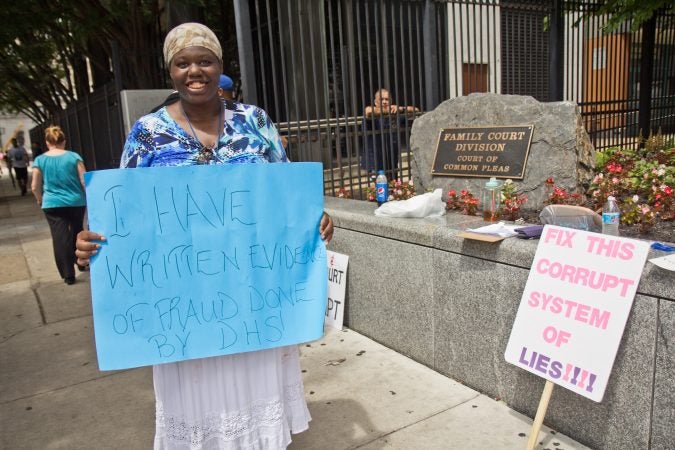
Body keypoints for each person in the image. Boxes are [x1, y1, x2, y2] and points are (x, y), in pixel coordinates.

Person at [75, 22, 333, 449]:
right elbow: (124, 211)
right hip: (184, 309)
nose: (195, 71)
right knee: (197, 404)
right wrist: (90, 242)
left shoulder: (255, 121)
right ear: (170, 72)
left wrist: (316, 218)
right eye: (183, 63)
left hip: (254, 300)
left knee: (257, 392)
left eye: (204, 61)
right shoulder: (148, 131)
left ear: (219, 67)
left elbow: (288, 193)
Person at [31, 126, 87, 285]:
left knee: (59, 237)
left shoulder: (40, 160)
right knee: (78, 231)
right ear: (64, 141)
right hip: (76, 201)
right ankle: (81, 262)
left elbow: (35, 186)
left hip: (52, 203)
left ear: (47, 142)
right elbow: (84, 180)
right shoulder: (74, 157)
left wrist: (39, 199)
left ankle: (68, 274)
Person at [361, 88, 419, 181]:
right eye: (381, 99)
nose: (384, 102)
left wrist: (401, 108)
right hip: (375, 161)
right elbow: (367, 111)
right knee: (380, 191)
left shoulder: (395, 114)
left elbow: (416, 110)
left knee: (393, 186)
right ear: (375, 102)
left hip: (391, 160)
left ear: (391, 101)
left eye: (387, 99)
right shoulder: (371, 113)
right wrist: (390, 110)